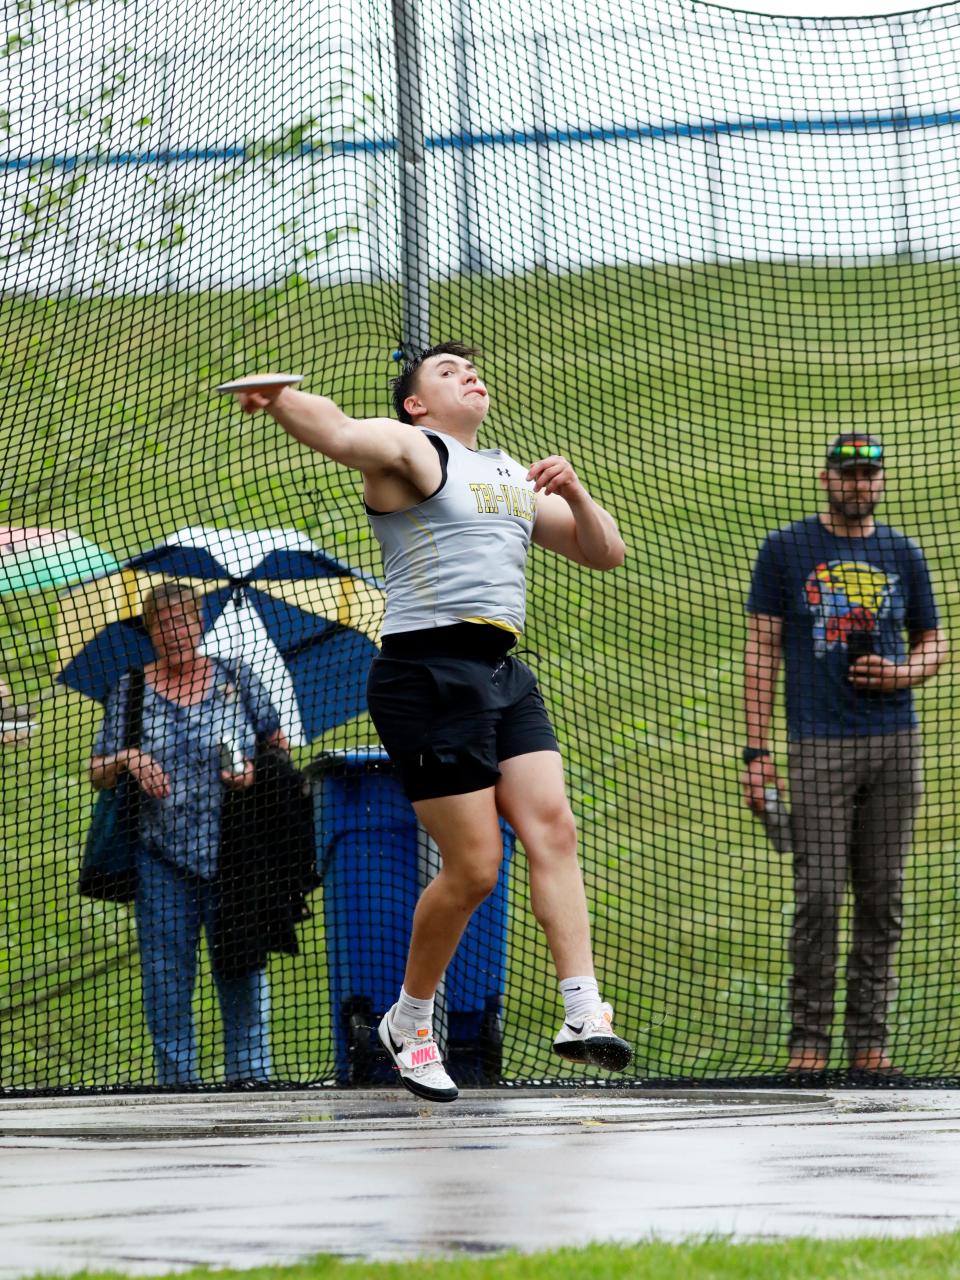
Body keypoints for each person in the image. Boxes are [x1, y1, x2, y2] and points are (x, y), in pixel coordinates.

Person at [228, 342, 633, 1102]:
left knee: (556, 830)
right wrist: (280, 398)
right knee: (477, 868)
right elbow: (343, 433)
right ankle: (409, 1022)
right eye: (447, 372)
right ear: (416, 402)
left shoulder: (509, 476)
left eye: (473, 368)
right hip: (426, 674)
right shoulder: (415, 451)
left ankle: (583, 1009)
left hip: (501, 672)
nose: (469, 375)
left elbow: (601, 552)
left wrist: (576, 493)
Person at [742, 435, 947, 1076]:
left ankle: (869, 1048)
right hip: (818, 744)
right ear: (826, 478)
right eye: (848, 473)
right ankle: (808, 1046)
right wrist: (756, 751)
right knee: (821, 897)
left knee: (882, 896)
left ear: (880, 482)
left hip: (894, 743)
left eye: (869, 475)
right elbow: (761, 649)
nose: (859, 484)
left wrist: (904, 674)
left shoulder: (901, 552)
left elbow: (934, 640)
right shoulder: (786, 549)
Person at [89, 584, 288, 1086]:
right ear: (150, 631)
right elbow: (96, 769)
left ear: (200, 624)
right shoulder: (130, 690)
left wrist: (254, 771)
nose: (176, 633)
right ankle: (177, 1095)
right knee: (167, 986)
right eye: (164, 624)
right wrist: (128, 759)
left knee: (242, 976)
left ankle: (251, 1092)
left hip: (234, 857)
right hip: (160, 860)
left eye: (184, 622)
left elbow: (277, 745)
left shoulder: (236, 680)